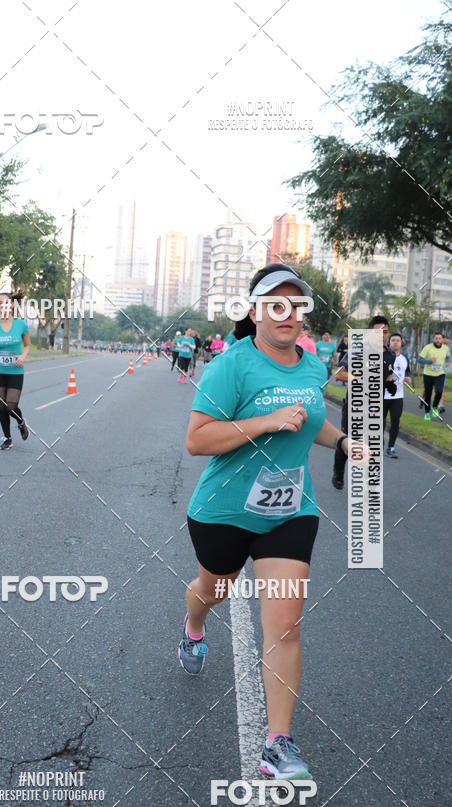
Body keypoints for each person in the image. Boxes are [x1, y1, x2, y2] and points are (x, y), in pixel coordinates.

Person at [180, 262, 367, 780]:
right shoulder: (231, 366)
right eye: (276, 304)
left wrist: (345, 442)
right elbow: (197, 440)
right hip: (224, 510)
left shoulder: (311, 365)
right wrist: (265, 422)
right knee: (213, 590)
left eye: (296, 305)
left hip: (289, 511)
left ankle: (277, 745)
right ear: (256, 311)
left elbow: (311, 418)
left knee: (285, 624)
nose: (288, 315)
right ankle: (194, 625)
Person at [332, 315, 395, 489]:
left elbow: (387, 373)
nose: (382, 335)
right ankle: (338, 471)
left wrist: (390, 384)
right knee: (350, 443)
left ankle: (371, 484)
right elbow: (339, 374)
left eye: (385, 332)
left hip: (375, 407)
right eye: (378, 332)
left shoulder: (390, 355)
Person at [0, 292, 31, 450]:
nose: (2, 305)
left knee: (10, 406)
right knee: (1, 406)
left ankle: (21, 422)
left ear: (12, 305)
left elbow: (28, 345)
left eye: (6, 302)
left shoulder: (21, 325)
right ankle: (7, 438)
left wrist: (23, 356)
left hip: (16, 371)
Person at [384, 333, 411, 458]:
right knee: (379, 423)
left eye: (398, 340)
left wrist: (408, 378)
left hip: (397, 397)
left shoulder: (405, 358)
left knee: (395, 422)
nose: (395, 342)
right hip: (382, 396)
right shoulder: (384, 356)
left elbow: (408, 371)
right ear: (389, 342)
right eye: (393, 340)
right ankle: (377, 446)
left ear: (401, 343)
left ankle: (391, 447)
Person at [419, 331, 450, 421]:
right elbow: (420, 360)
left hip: (440, 374)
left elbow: (447, 357)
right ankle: (427, 413)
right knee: (428, 394)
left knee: (439, 391)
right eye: (436, 338)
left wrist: (447, 362)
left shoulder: (445, 348)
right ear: (434, 339)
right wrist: (429, 361)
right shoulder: (428, 348)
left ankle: (435, 407)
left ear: (442, 340)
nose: (438, 340)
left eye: (439, 338)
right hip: (428, 374)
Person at [438, 336, 450, 411]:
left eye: (447, 343)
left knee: (441, 389)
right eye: (445, 342)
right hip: (433, 372)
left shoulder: (447, 350)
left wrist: (447, 364)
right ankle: (423, 399)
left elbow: (448, 360)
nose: (446, 344)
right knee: (428, 389)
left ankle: (440, 405)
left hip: (442, 372)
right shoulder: (436, 348)